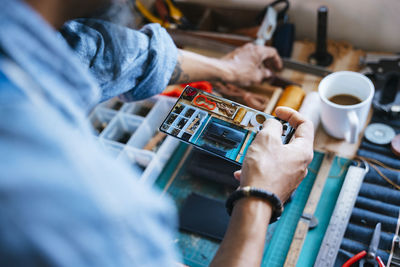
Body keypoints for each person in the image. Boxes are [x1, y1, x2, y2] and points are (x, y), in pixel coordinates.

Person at [0, 0, 314, 266]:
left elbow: (90, 50)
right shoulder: (95, 208)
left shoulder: (25, 27)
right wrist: (260, 196)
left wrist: (228, 69)